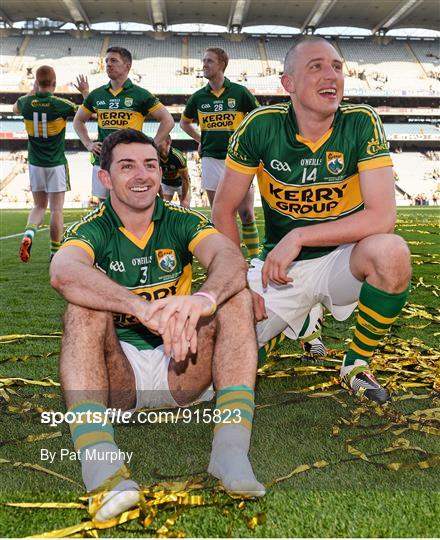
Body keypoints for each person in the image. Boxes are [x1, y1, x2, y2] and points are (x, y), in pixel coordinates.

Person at [50, 128, 264, 523]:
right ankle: (102, 470)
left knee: (236, 298)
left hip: (180, 363)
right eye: (127, 166)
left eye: (150, 165)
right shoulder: (92, 228)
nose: (142, 175)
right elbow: (63, 272)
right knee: (82, 306)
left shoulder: (180, 220)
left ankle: (230, 452)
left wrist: (202, 300)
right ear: (105, 178)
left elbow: (230, 260)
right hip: (119, 378)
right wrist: (139, 307)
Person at [213, 37, 412, 404]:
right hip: (281, 269)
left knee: (392, 253)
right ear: (288, 83)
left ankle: (355, 364)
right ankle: (299, 319)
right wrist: (238, 285)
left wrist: (301, 235)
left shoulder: (361, 121)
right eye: (316, 66)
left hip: (344, 261)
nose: (331, 75)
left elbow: (383, 216)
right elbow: (223, 210)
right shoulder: (261, 126)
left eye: (337, 67)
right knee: (214, 368)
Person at [180, 47, 260, 258]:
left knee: (246, 213)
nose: (204, 65)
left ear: (222, 65)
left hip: (238, 160)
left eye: (209, 61)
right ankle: (229, 259)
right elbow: (184, 123)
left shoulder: (240, 93)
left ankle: (254, 259)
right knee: (220, 215)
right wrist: (201, 139)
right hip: (210, 159)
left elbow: (258, 119)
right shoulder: (198, 97)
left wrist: (248, 143)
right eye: (203, 61)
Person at [73, 46, 174, 201]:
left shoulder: (140, 94)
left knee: (131, 204)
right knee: (104, 208)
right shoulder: (96, 95)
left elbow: (168, 121)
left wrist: (152, 144)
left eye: (113, 60)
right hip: (103, 160)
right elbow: (78, 121)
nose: (108, 64)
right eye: (106, 61)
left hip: (131, 162)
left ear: (127, 66)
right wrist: (88, 144)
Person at [12, 65, 87, 262]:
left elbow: (14, 108)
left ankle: (29, 235)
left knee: (38, 206)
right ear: (54, 83)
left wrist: (32, 90)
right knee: (56, 210)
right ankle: (55, 252)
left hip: (35, 163)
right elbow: (89, 112)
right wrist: (86, 92)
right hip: (55, 163)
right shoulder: (60, 104)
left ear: (37, 82)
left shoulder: (25, 103)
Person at [158, 135, 191, 207]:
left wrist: (183, 199)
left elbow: (185, 179)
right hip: (166, 183)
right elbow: (156, 179)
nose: (157, 143)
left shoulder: (177, 156)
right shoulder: (155, 156)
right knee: (164, 206)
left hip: (180, 184)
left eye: (160, 141)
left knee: (185, 206)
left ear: (168, 142)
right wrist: (161, 197)